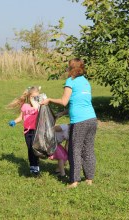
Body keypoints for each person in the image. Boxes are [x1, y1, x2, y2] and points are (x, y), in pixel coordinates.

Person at [41, 58, 97, 188]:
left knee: (74, 150)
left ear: (71, 68)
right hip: (92, 119)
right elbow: (79, 102)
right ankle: (89, 179)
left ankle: (74, 181)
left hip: (79, 121)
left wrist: (49, 99)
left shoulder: (70, 81)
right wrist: (63, 113)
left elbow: (64, 101)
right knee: (88, 148)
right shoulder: (85, 82)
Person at [7, 86, 41, 176]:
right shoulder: (25, 106)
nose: (35, 99)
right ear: (29, 97)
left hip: (36, 131)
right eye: (33, 97)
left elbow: (37, 109)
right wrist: (14, 121)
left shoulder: (38, 105)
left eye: (36, 97)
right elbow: (21, 117)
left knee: (34, 149)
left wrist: (35, 101)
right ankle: (33, 167)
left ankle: (36, 167)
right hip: (27, 131)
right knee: (30, 149)